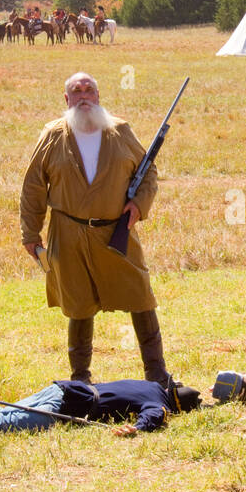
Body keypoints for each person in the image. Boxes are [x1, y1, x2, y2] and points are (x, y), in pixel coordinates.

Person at [20, 71, 166, 383]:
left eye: (89, 90)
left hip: (117, 231)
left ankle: (157, 376)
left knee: (140, 297)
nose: (83, 95)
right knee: (78, 305)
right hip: (67, 234)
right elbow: (33, 187)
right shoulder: (52, 135)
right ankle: (80, 380)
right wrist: (30, 234)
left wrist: (139, 205)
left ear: (98, 97)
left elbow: (148, 172)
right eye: (76, 91)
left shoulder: (120, 131)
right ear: (67, 99)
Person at [0, 374, 202, 437]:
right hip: (70, 406)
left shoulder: (151, 385)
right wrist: (136, 428)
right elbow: (153, 415)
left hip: (64, 388)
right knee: (4, 424)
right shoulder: (158, 401)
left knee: (2, 412)